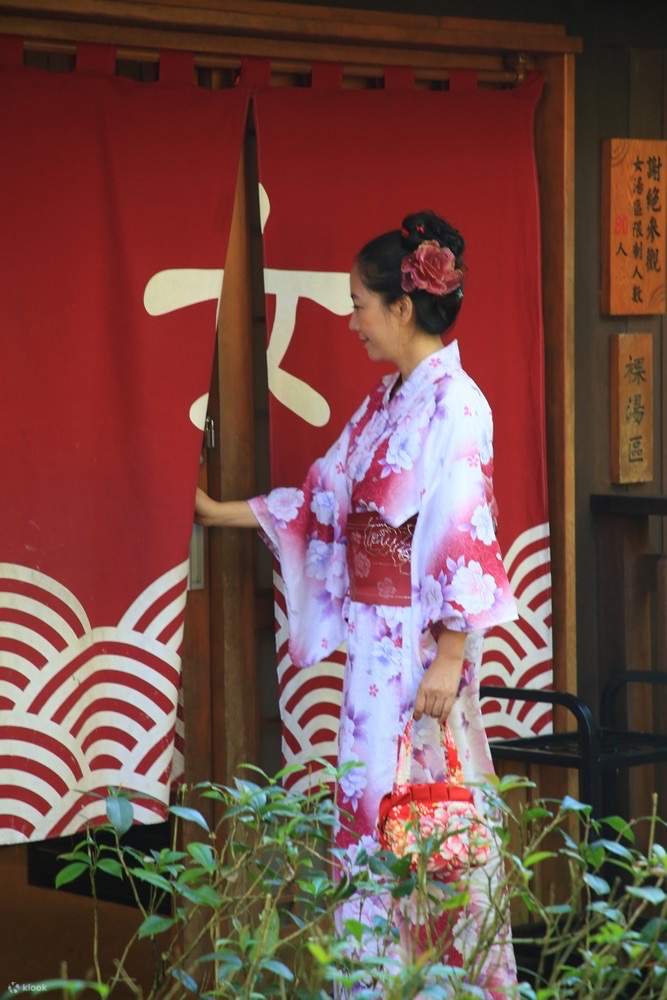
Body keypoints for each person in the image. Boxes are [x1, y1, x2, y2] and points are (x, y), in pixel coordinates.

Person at [195, 210, 519, 995]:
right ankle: (371, 982)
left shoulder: (455, 406)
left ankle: (453, 982)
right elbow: (322, 501)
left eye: (358, 305)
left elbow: (461, 530)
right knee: (375, 824)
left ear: (402, 308)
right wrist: (221, 512)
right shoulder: (385, 405)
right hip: (375, 660)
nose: (352, 321)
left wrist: (450, 654)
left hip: (420, 659)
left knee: (430, 831)